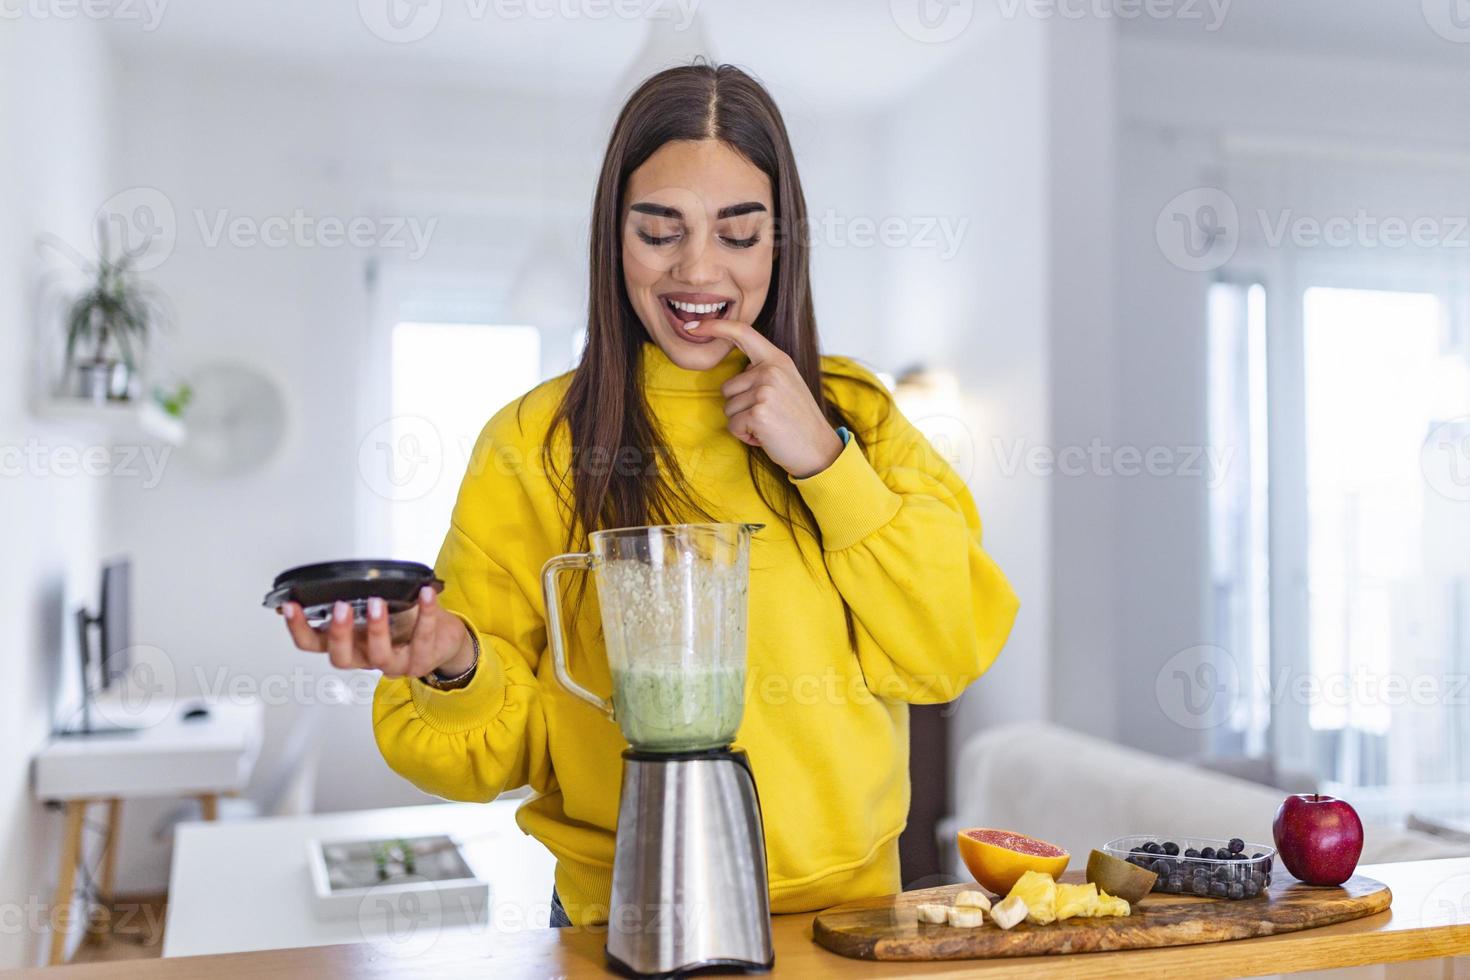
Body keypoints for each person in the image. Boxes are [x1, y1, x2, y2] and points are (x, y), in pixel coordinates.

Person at [280, 63, 1019, 928]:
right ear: (612, 237)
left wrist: (824, 461)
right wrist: (453, 661)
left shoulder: (857, 414)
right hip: (620, 920)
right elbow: (496, 751)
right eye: (658, 230)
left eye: (739, 234)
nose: (698, 269)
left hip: (848, 925)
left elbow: (947, 652)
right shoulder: (534, 443)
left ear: (782, 243)